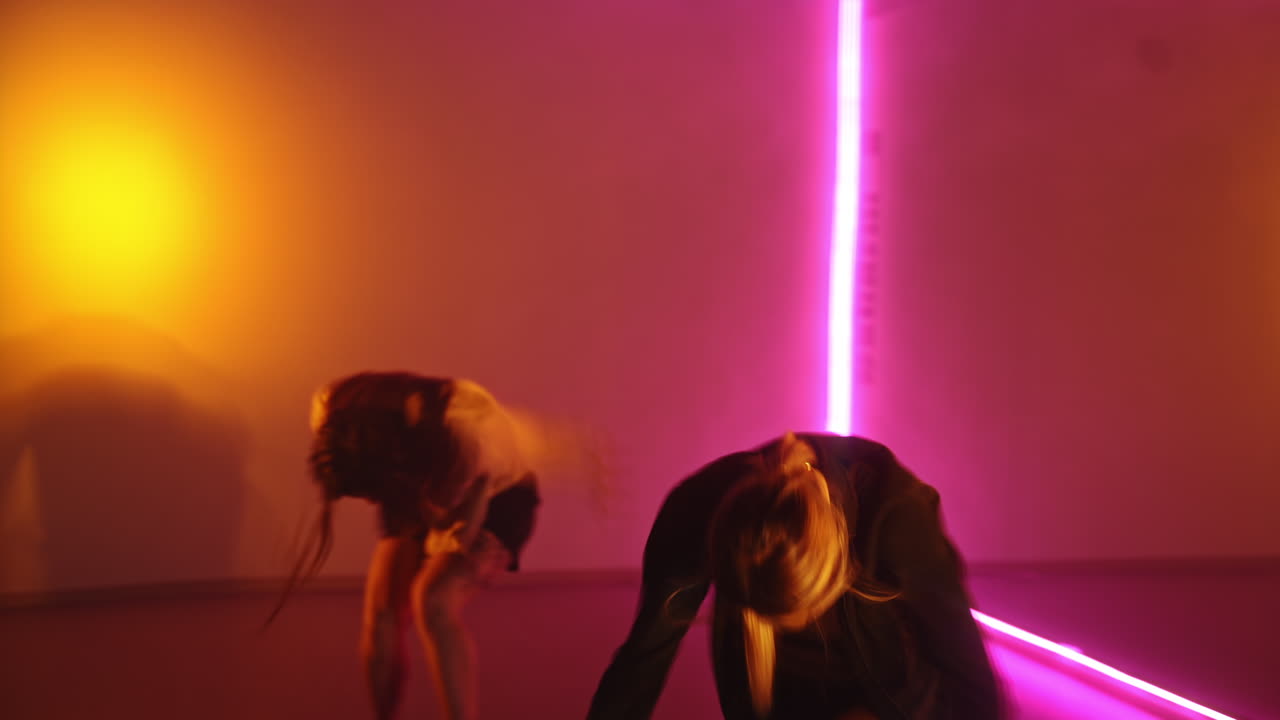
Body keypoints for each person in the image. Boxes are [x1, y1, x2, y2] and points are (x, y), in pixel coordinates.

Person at [586, 431, 1004, 720]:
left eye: (798, 617)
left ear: (836, 572)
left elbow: (961, 654)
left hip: (890, 693)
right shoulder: (696, 514)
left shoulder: (896, 514)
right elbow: (644, 657)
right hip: (787, 694)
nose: (779, 629)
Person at [266, 371, 602, 720]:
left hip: (495, 495)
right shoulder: (332, 409)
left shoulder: (470, 435)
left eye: (367, 494)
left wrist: (447, 533)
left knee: (433, 600)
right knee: (381, 612)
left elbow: (458, 530)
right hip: (409, 475)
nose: (367, 503)